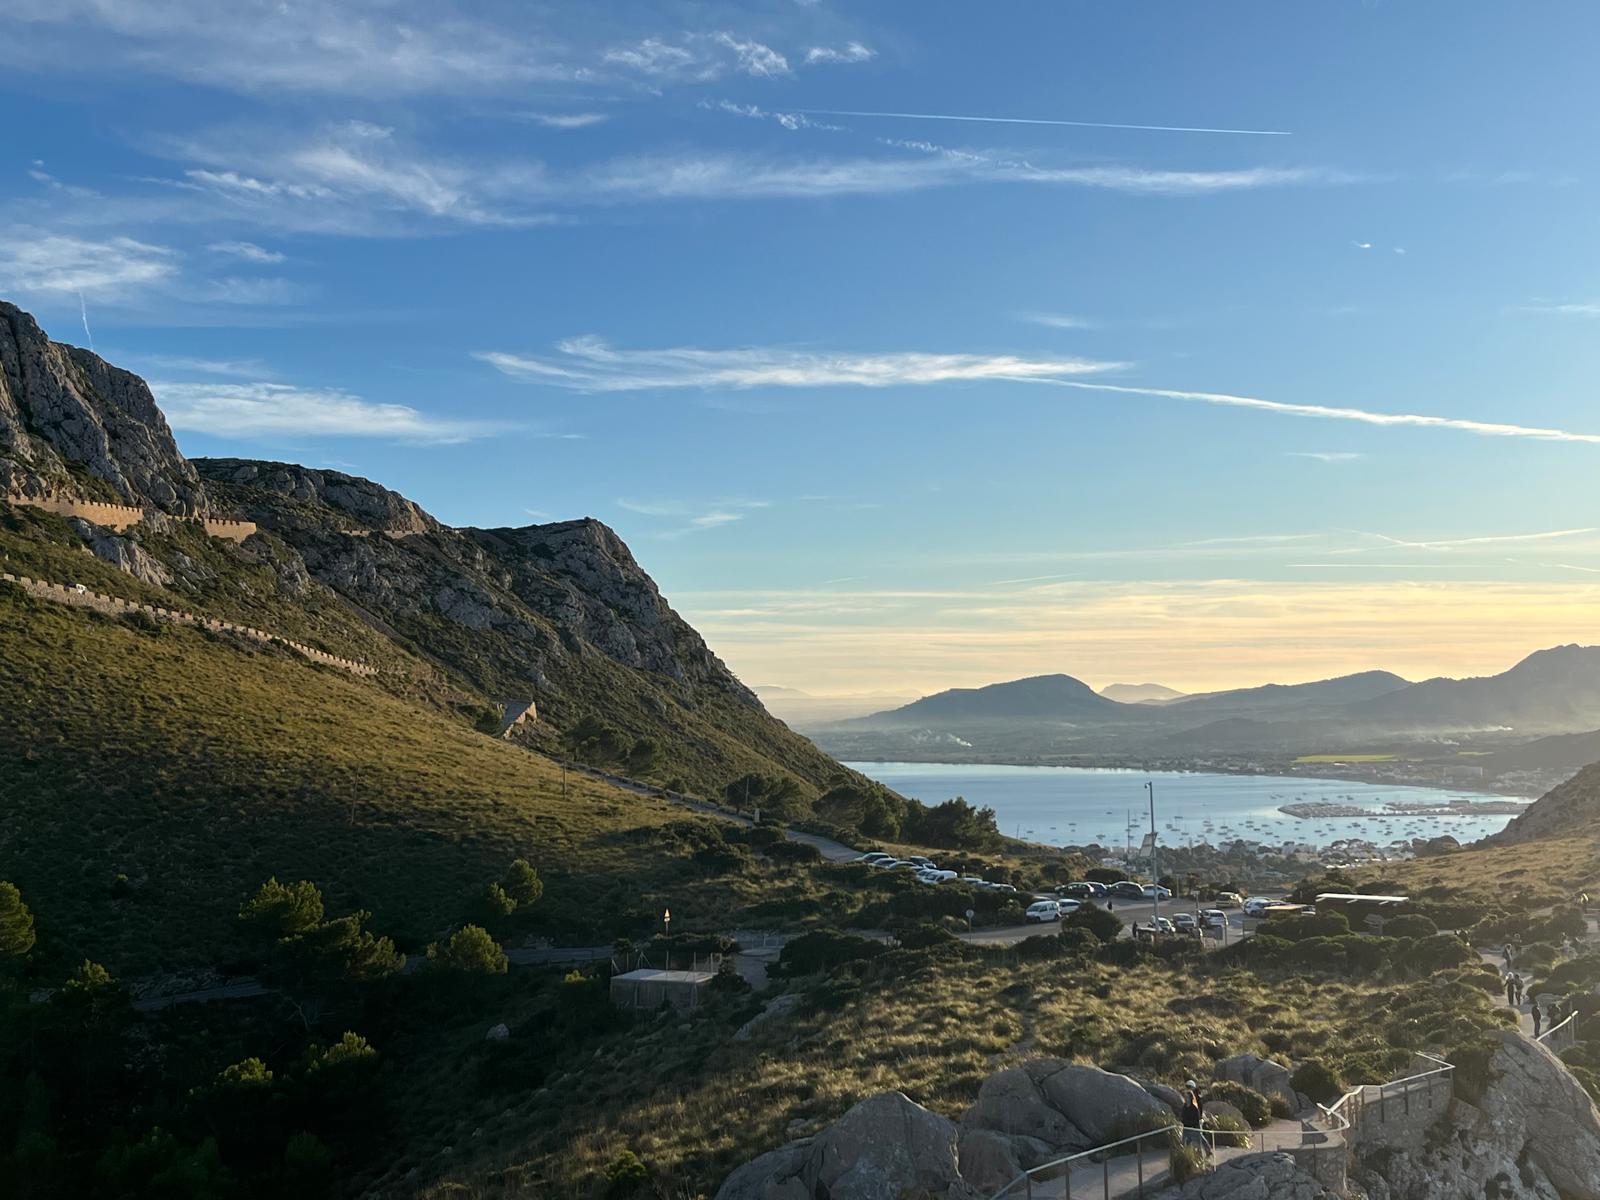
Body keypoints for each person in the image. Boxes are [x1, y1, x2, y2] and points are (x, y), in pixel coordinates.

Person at [1180, 1079, 1207, 1152]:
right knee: (1188, 1138)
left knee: (1199, 1137)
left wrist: (1200, 1118)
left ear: (1193, 1087)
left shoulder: (1197, 1098)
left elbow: (1199, 1109)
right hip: (1188, 1123)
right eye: (1187, 1087)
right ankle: (1188, 1153)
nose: (1188, 1088)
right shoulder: (1188, 1097)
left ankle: (1205, 1150)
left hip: (1197, 1121)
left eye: (1189, 1087)